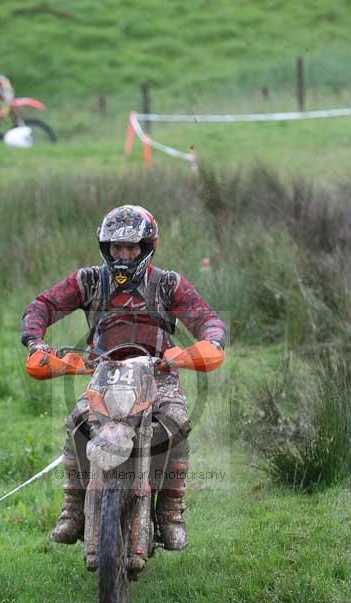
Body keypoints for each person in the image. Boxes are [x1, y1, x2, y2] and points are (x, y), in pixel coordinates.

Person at [20, 205, 227, 550]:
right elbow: (42, 306)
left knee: (176, 421)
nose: (123, 255)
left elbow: (207, 318)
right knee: (77, 423)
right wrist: (36, 342)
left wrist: (210, 341)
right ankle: (73, 506)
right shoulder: (88, 281)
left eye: (130, 248)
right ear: (105, 247)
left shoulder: (167, 283)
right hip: (103, 371)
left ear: (146, 247)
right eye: (116, 248)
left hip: (158, 372)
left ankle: (171, 509)